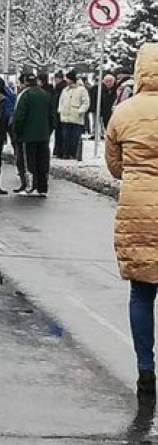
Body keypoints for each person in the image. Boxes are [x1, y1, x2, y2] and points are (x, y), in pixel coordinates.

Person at [105, 43, 158, 401]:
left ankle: (145, 369)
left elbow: (113, 163)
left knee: (141, 292)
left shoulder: (124, 112)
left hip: (137, 204)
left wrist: (137, 175)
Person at [13, 73, 54, 196]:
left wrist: (17, 132)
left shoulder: (25, 95)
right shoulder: (46, 95)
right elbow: (52, 116)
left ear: (25, 82)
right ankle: (43, 188)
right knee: (43, 161)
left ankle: (30, 187)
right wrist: (48, 130)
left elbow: (19, 116)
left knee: (29, 162)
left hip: (28, 135)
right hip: (44, 134)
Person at [58, 70, 90, 160]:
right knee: (65, 137)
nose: (66, 81)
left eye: (68, 79)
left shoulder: (82, 90)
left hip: (76, 117)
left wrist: (81, 110)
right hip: (65, 117)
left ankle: (74, 153)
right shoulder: (65, 90)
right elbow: (61, 101)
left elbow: (86, 102)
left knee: (74, 138)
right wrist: (60, 110)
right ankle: (66, 153)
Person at [51, 71, 67, 158]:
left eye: (56, 79)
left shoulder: (62, 88)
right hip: (57, 112)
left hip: (60, 112)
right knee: (58, 132)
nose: (55, 80)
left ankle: (60, 151)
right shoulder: (57, 88)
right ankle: (57, 151)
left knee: (60, 133)